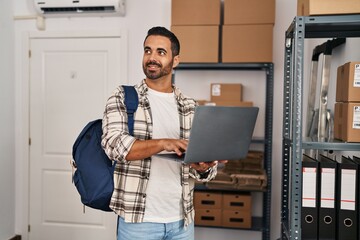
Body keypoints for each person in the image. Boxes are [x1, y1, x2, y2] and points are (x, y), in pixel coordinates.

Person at [101, 26, 225, 240]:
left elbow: (205, 173)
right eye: (147, 50)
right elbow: (114, 145)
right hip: (138, 222)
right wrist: (164, 143)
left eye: (161, 52)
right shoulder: (123, 97)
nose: (152, 57)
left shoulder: (191, 107)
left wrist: (203, 167)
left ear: (175, 60)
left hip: (182, 222)